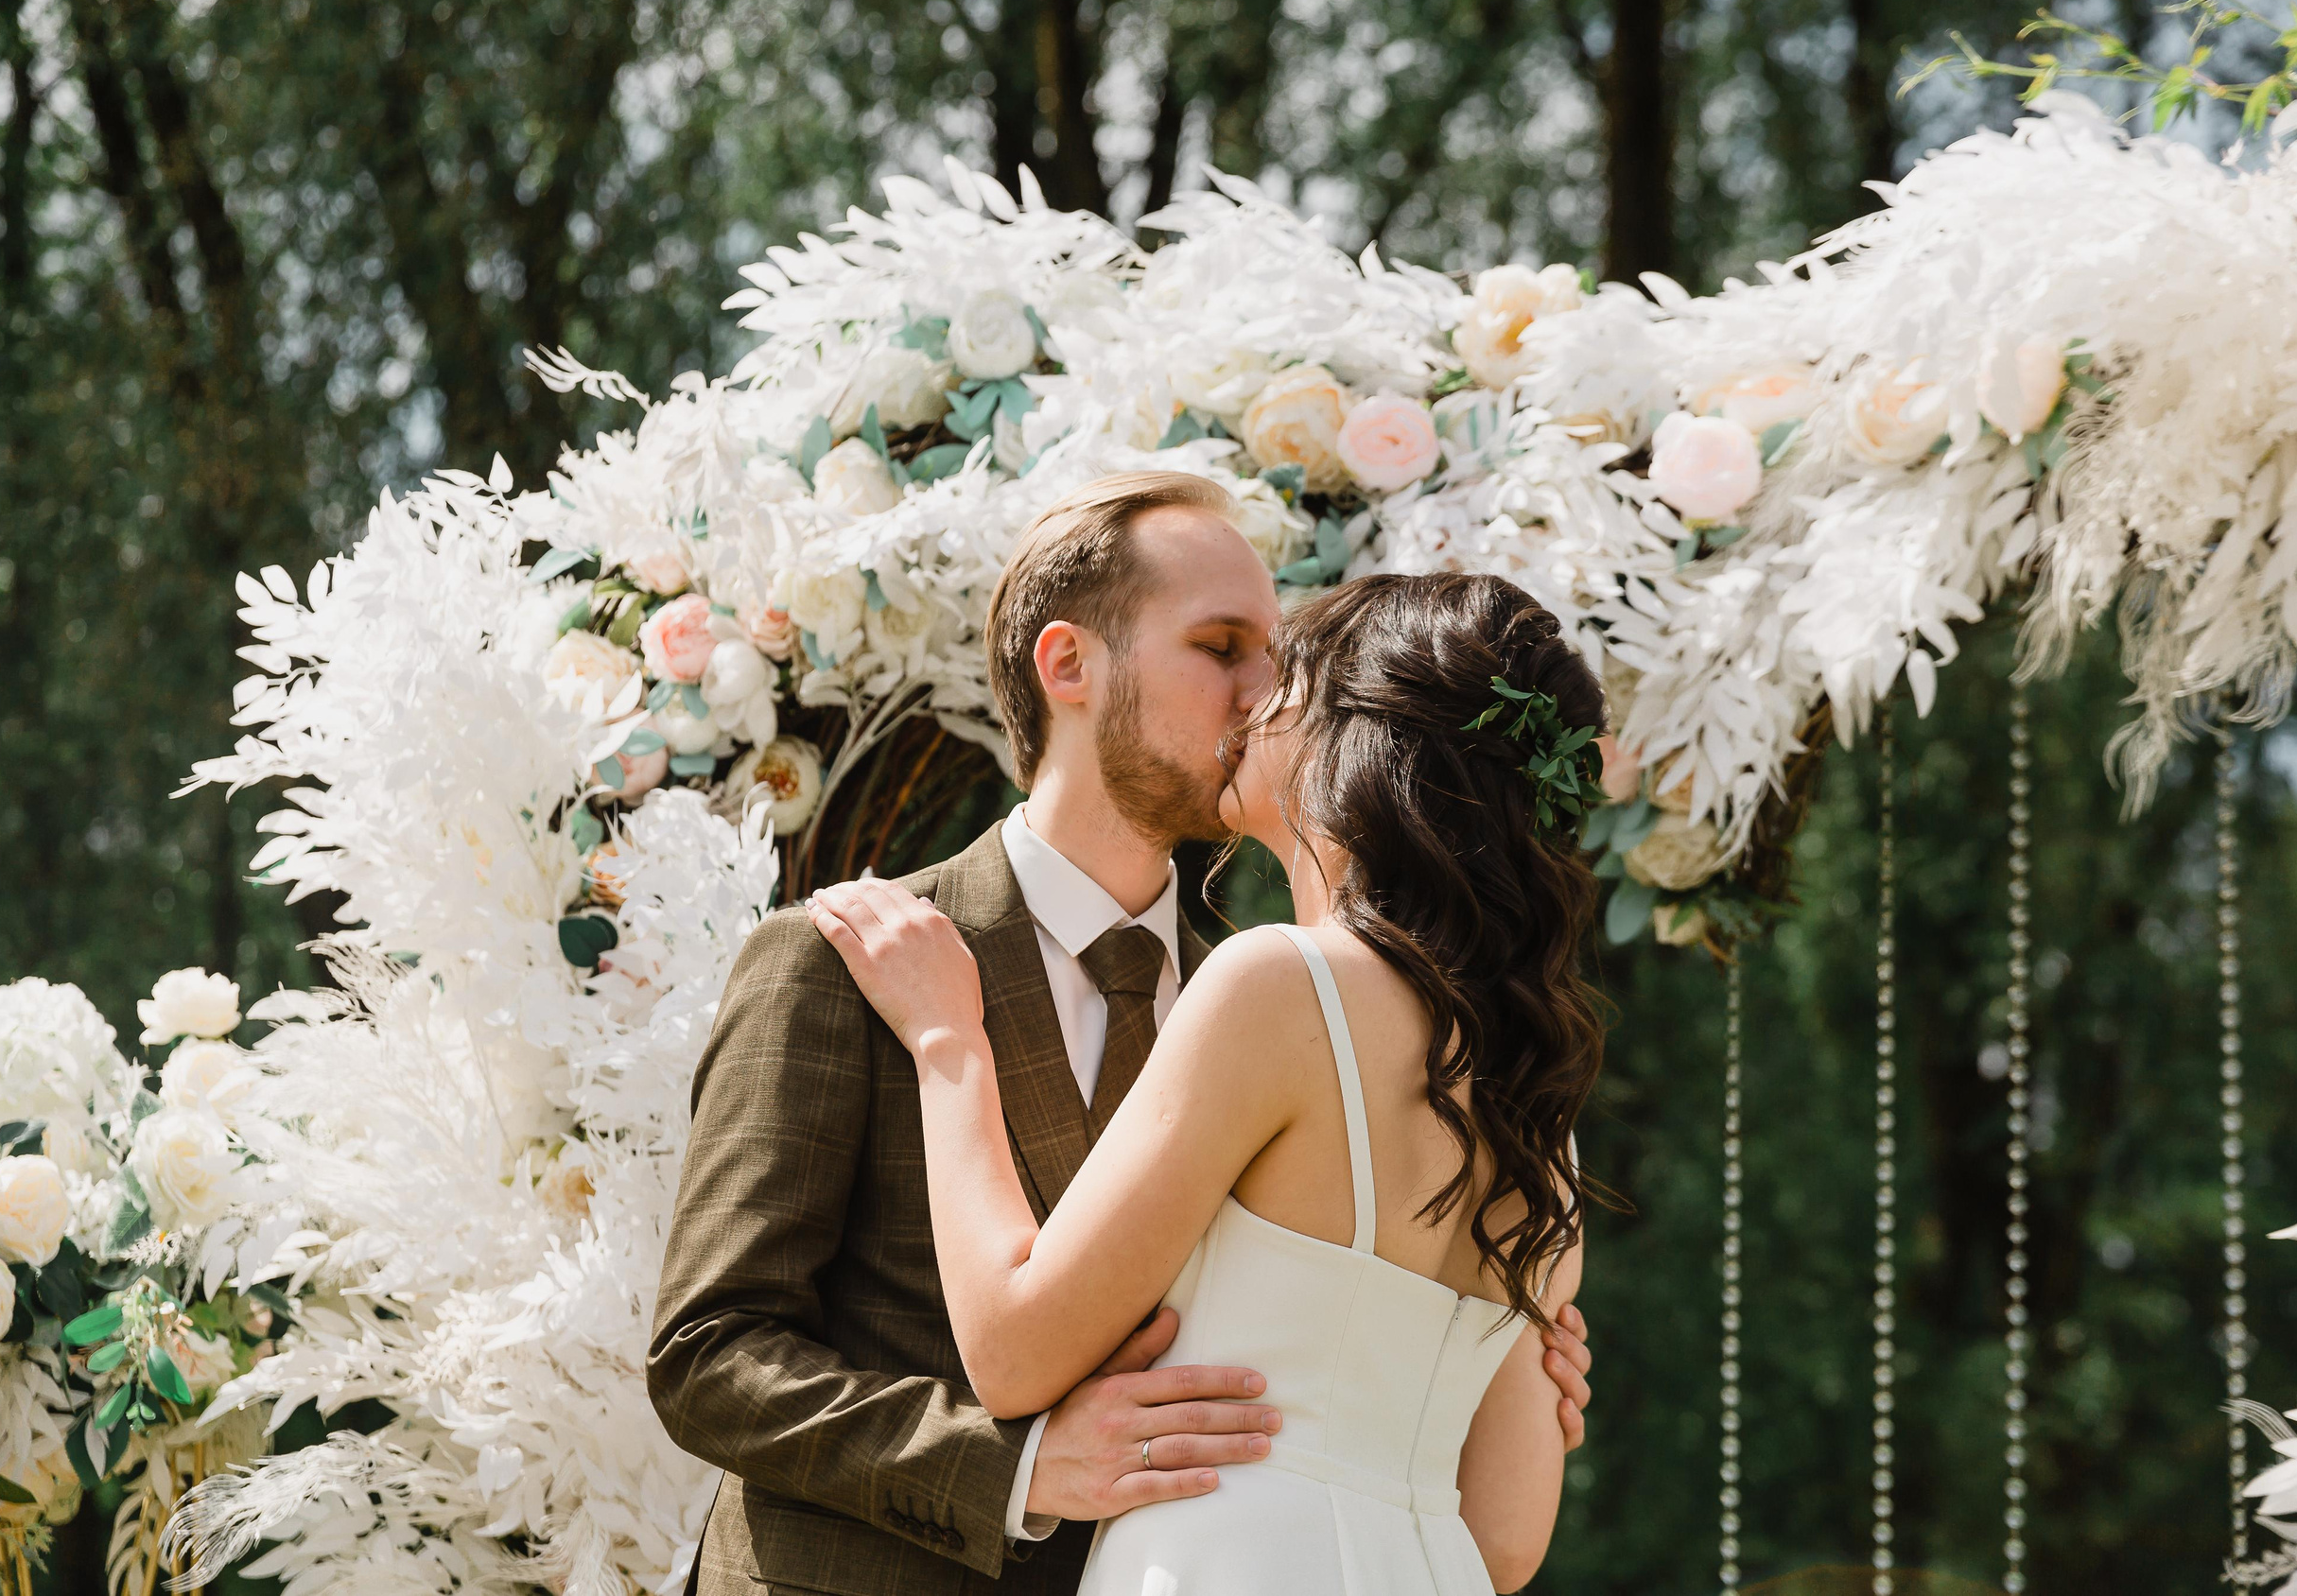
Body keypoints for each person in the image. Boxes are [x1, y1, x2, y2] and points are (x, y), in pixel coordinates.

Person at [651, 471, 1592, 1596]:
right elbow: (708, 1358)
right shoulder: (846, 957)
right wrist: (1018, 1471)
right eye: (1224, 646)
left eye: (1280, 662)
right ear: (1068, 667)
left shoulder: (1265, 1001)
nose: (1261, 692)